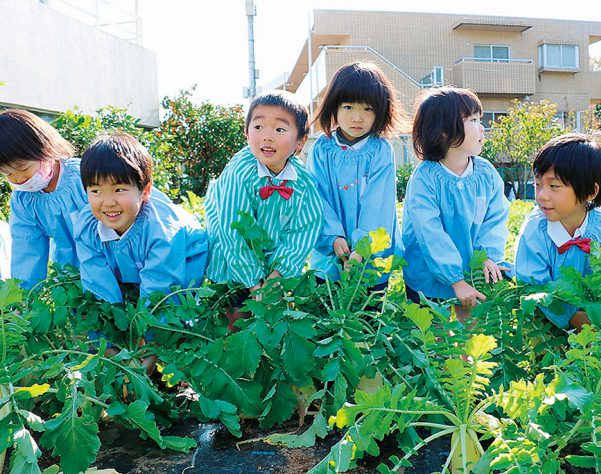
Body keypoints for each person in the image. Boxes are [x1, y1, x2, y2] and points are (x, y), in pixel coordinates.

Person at [204, 90, 323, 329]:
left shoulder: (304, 183)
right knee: (233, 322)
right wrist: (253, 284)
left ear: (300, 142)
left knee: (272, 327)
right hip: (232, 264)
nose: (267, 137)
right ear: (247, 132)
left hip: (273, 271)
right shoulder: (240, 171)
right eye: (258, 127)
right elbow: (231, 231)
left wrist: (276, 277)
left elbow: (303, 232)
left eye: (280, 130)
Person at [402, 87, 510, 322]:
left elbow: (495, 220)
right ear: (443, 132)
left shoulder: (486, 173)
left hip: (471, 273)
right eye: (472, 120)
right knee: (434, 342)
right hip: (428, 276)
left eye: (479, 119)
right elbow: (430, 233)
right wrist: (455, 280)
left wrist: (488, 257)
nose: (482, 127)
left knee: (470, 338)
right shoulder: (425, 178)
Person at [72, 132, 208, 304]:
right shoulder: (87, 226)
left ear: (145, 191)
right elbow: (96, 282)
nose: (108, 203)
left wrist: (147, 326)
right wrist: (107, 321)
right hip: (134, 259)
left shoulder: (162, 231)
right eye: (96, 191)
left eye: (119, 189)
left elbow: (160, 291)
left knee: (172, 305)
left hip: (184, 256)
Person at [307, 61, 405, 289]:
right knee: (329, 317)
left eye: (368, 109)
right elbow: (317, 198)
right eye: (348, 107)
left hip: (371, 257)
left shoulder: (380, 150)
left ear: (380, 111)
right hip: (329, 255)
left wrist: (361, 249)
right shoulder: (321, 148)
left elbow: (378, 205)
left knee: (367, 318)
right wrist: (334, 238)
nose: (357, 118)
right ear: (334, 107)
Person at [514, 133, 601, 330]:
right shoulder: (536, 230)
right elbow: (533, 286)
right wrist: (572, 316)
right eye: (537, 184)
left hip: (599, 322)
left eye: (554, 186)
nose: (542, 196)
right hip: (545, 327)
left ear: (591, 192)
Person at [0, 109, 86, 289]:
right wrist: (23, 299)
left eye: (23, 168)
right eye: (7, 173)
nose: (17, 178)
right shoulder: (24, 199)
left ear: (45, 150)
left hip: (110, 269)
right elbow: (27, 248)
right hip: (71, 277)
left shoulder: (82, 177)